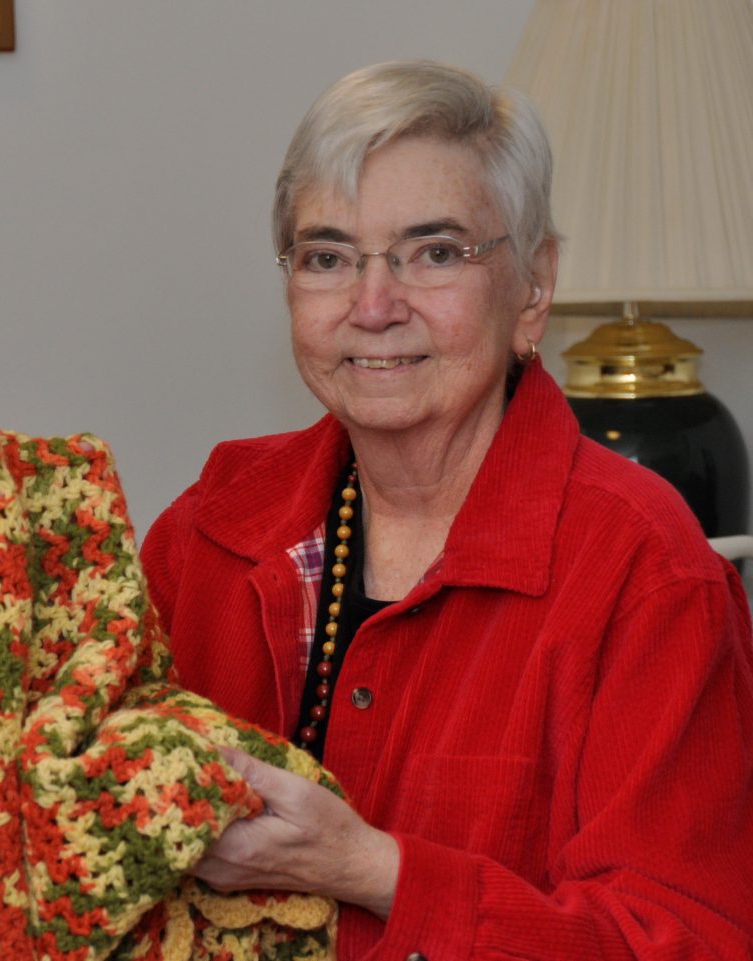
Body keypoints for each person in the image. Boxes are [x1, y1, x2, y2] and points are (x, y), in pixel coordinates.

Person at [140, 60, 753, 960]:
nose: (374, 305)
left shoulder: (647, 573)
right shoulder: (209, 529)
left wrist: (375, 870)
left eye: (435, 253)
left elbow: (686, 942)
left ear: (534, 289)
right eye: (328, 256)